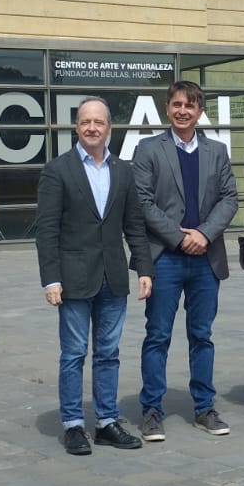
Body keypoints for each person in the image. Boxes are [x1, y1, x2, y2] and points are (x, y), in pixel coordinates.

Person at [35, 97, 153, 456]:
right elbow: (47, 230)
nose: (91, 128)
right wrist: (50, 279)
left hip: (113, 278)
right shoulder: (58, 170)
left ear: (108, 128)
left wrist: (143, 268)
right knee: (73, 354)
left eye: (98, 122)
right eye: (85, 121)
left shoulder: (122, 170)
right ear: (76, 126)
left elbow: (134, 224)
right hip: (72, 279)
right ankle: (73, 424)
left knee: (108, 354)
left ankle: (105, 422)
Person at [132, 81, 240, 440]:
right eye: (177, 104)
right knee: (157, 335)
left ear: (199, 111)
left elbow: (229, 198)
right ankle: (151, 410)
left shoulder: (217, 151)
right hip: (165, 258)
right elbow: (143, 203)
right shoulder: (148, 149)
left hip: (205, 259)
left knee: (202, 335)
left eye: (190, 105)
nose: (182, 111)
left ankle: (204, 408)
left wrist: (204, 234)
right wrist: (180, 237)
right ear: (168, 108)